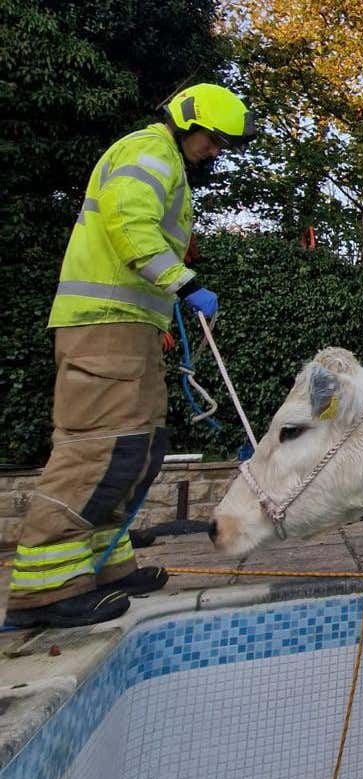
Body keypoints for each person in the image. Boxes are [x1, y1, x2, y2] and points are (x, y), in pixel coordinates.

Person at [4, 83, 255, 629]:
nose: (217, 151)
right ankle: (44, 590)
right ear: (188, 123)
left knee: (137, 447)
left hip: (130, 327)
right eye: (214, 139)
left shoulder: (164, 160)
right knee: (99, 445)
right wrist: (182, 283)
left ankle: (105, 564)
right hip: (103, 328)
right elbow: (128, 222)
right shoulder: (147, 151)